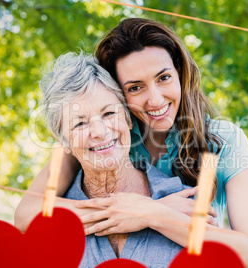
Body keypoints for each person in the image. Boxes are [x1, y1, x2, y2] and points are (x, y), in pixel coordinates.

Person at [15, 18, 248, 267]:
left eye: (164, 78)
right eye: (135, 88)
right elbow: (28, 214)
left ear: (180, 73)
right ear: (118, 94)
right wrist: (123, 211)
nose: (156, 100)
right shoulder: (106, 135)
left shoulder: (225, 140)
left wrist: (151, 213)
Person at [35, 51, 191, 267]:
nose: (99, 132)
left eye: (109, 113)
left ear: (127, 118)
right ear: (63, 140)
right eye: (80, 124)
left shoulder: (183, 203)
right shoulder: (44, 224)